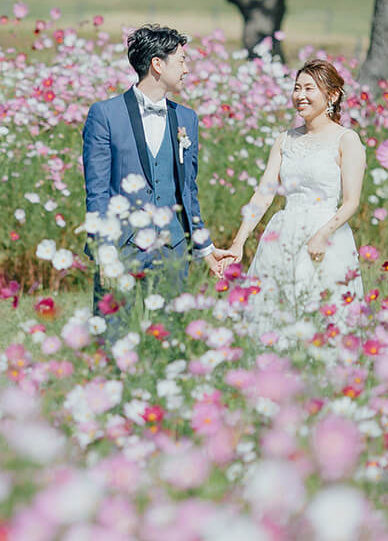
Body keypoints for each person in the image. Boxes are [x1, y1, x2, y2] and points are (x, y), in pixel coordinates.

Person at [82, 25, 232, 340]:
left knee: (170, 340)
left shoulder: (187, 119)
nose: (187, 69)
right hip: (121, 248)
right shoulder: (104, 115)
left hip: (173, 250)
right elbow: (96, 194)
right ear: (157, 65)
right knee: (113, 337)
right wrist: (103, 251)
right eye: (182, 61)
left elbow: (188, 191)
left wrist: (205, 248)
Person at [224, 58, 365, 326]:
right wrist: (239, 241)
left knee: (322, 316)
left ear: (332, 95)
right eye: (297, 88)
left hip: (326, 235)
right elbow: (264, 194)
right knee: (277, 316)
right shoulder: (284, 139)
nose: (300, 96)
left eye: (309, 89)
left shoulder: (346, 140)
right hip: (283, 234)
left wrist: (322, 235)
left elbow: (351, 202)